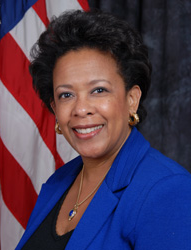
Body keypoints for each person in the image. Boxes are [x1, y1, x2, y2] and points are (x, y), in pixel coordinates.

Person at [15, 10, 191, 250]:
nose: (81, 109)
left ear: (132, 99)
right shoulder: (58, 183)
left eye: (98, 90)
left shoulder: (167, 190)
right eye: (66, 95)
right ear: (55, 109)